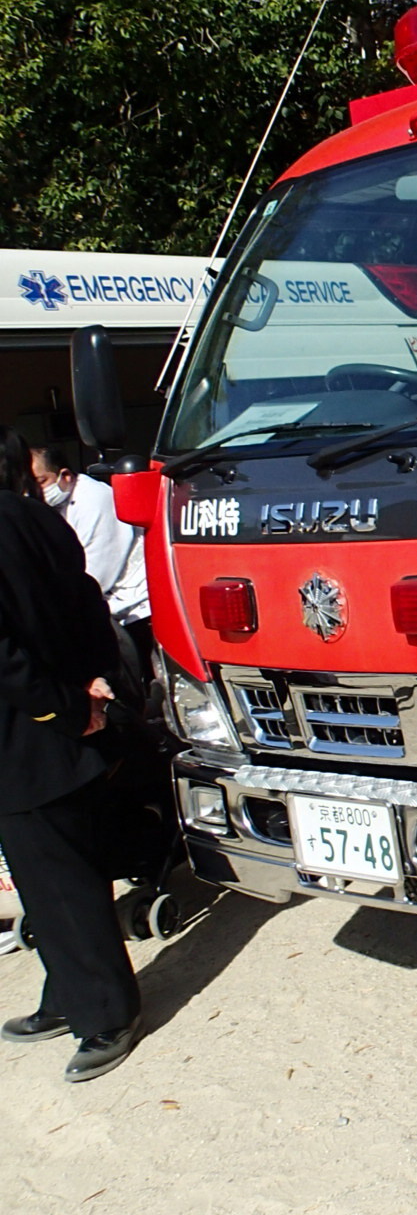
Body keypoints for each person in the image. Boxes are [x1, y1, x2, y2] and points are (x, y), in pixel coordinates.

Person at [0, 425, 142, 1081]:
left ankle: (107, 1013)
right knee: (52, 877)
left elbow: (6, 657)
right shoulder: (38, 518)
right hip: (68, 716)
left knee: (61, 880)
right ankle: (66, 994)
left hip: (31, 732)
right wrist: (93, 688)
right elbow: (88, 604)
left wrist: (61, 704)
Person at [30, 445, 151, 665]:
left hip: (136, 610)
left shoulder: (94, 499)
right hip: (108, 612)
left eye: (41, 482)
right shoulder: (55, 507)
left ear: (64, 475)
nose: (35, 492)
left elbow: (95, 574)